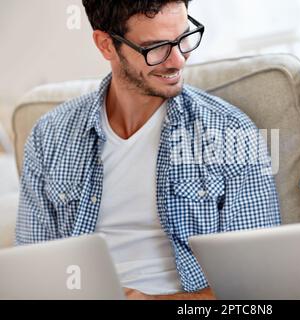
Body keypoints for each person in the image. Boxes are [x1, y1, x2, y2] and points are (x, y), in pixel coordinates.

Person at [16, 0, 281, 300]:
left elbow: (257, 288)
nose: (177, 61)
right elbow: (34, 271)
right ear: (106, 45)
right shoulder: (48, 136)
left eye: (183, 38)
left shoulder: (231, 131)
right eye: (156, 48)